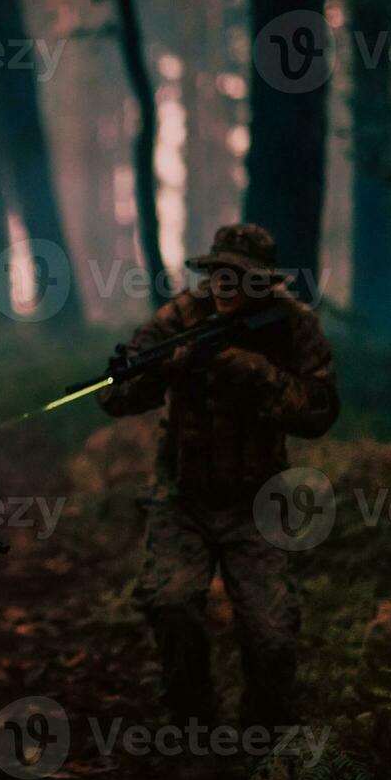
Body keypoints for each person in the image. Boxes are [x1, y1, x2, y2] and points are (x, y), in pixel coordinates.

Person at [98, 223, 339, 742]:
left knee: (273, 635)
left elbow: (319, 411)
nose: (226, 285)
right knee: (172, 604)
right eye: (217, 274)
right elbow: (116, 398)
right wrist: (156, 373)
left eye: (240, 277)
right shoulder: (181, 318)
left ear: (265, 283)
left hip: (258, 502)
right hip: (182, 496)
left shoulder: (293, 325)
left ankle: (262, 738)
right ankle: (192, 729)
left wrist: (255, 372)